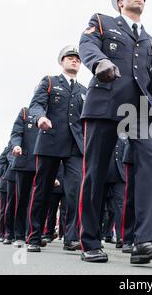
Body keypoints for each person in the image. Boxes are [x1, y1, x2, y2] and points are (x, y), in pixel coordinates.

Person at [78, 0, 152, 264]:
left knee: (150, 164)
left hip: (140, 113)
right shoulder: (102, 21)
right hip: (104, 104)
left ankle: (143, 240)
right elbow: (86, 44)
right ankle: (90, 241)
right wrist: (99, 62)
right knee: (95, 173)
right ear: (120, 1)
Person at [26, 45, 87, 253]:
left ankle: (71, 237)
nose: (74, 61)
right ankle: (34, 236)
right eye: (70, 58)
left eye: (77, 59)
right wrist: (40, 117)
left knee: (75, 192)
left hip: (75, 147)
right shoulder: (50, 82)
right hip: (50, 142)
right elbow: (36, 105)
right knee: (43, 190)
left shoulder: (84, 91)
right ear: (62, 61)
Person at [10, 107, 39, 247]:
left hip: (43, 163)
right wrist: (16, 146)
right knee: (23, 201)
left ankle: (34, 235)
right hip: (25, 161)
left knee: (39, 201)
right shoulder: (24, 112)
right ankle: (20, 235)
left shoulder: (53, 113)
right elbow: (16, 133)